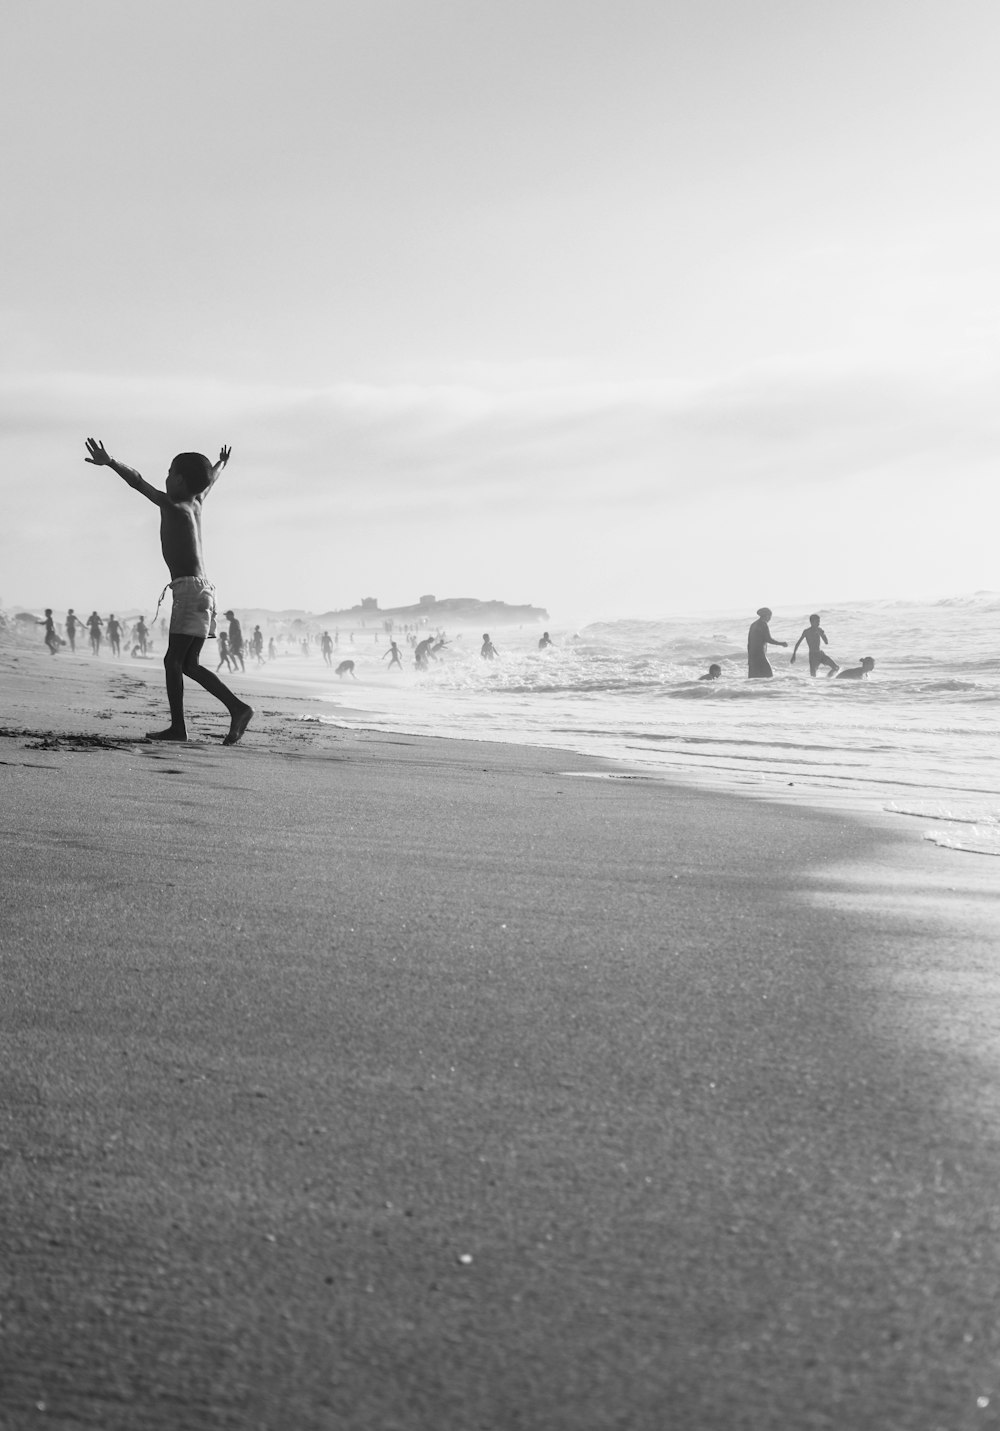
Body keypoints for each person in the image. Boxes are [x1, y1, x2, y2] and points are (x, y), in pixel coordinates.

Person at [84, 439, 252, 745]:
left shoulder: (172, 504)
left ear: (181, 480)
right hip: (205, 591)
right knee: (189, 664)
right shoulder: (198, 501)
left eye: (170, 471)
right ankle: (238, 709)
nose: (166, 476)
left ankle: (179, 728)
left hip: (188, 590)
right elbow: (211, 479)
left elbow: (137, 482)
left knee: (173, 662)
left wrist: (110, 462)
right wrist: (221, 463)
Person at [747, 607, 786, 678]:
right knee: (768, 676)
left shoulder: (753, 624)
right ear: (766, 616)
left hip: (752, 655)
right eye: (770, 616)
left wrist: (749, 658)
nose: (770, 618)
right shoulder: (763, 624)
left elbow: (749, 643)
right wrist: (781, 643)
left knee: (754, 678)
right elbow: (768, 639)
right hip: (760, 655)